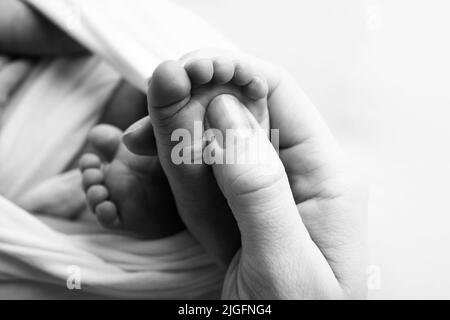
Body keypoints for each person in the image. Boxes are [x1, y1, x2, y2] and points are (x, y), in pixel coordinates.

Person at [2, 0, 367, 299]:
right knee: (166, 76)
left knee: (152, 60)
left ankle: (171, 146)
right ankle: (171, 184)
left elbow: (81, 21)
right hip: (34, 179)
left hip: (62, 88)